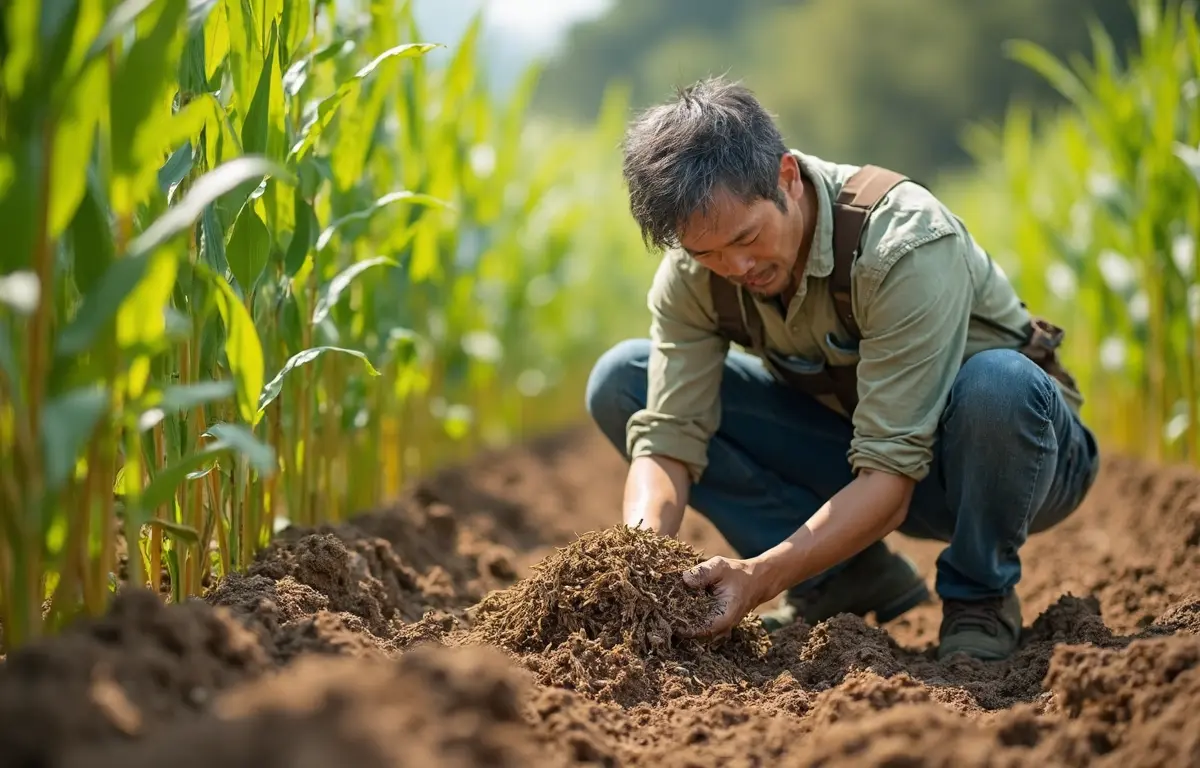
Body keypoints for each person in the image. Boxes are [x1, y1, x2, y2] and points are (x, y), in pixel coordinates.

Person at [584, 76, 1101, 662]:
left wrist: (760, 576)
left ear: (786, 178)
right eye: (708, 253)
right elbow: (669, 439)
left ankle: (980, 596)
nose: (737, 267)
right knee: (622, 379)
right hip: (870, 454)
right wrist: (633, 562)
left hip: (1014, 459)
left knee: (998, 383)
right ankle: (842, 579)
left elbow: (890, 479)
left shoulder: (902, 242)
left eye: (748, 238)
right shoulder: (695, 276)